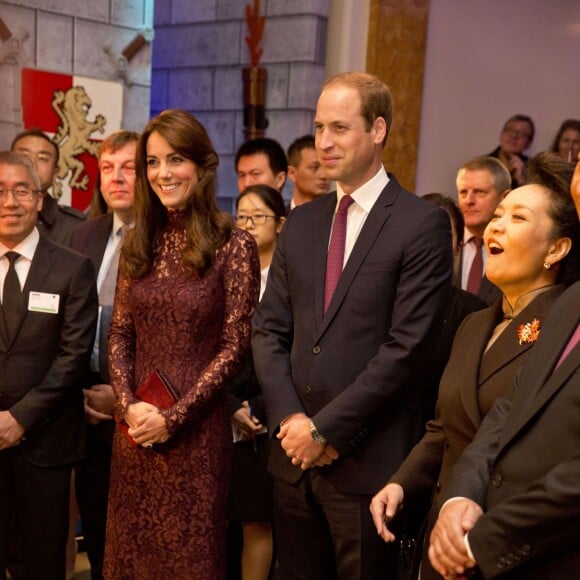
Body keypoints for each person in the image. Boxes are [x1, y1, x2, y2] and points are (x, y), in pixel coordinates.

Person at [252, 72, 453, 579]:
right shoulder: (301, 221)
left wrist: (327, 429)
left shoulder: (419, 223)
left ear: (378, 129)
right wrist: (291, 422)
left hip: (369, 466)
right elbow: (269, 330)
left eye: (339, 128)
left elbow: (407, 348)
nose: (324, 142)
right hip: (293, 462)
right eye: (319, 127)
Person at [371, 151, 580, 580]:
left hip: (509, 540)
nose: (495, 226)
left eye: (518, 219)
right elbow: (448, 426)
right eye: (498, 215)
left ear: (556, 249)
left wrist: (479, 534)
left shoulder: (561, 320)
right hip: (447, 528)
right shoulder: (474, 323)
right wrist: (403, 482)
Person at [102, 109, 260, 579]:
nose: (163, 174)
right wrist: (130, 407)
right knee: (129, 558)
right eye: (151, 162)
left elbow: (236, 346)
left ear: (202, 165)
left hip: (196, 437)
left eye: (175, 160)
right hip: (134, 435)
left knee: (189, 561)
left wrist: (174, 418)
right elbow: (120, 333)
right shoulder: (138, 240)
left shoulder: (233, 243)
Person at [0, 152, 98, 580]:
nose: (10, 201)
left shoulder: (73, 268)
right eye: (0, 191)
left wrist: (20, 417)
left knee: (40, 565)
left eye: (22, 190)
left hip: (45, 446)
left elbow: (73, 356)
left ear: (40, 199)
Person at [71, 130, 139, 580]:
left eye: (129, 167)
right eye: (108, 168)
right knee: (96, 529)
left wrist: (121, 396)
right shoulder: (85, 235)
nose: (116, 178)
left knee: (136, 536)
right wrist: (77, 392)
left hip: (144, 409)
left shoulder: (169, 239)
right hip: (84, 406)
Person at [227, 184, 286, 580]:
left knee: (256, 520)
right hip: (221, 407)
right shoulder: (224, 274)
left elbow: (289, 353)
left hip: (267, 415)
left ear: (280, 224)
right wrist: (229, 403)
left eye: (258, 217)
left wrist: (257, 408)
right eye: (241, 217)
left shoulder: (289, 280)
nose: (247, 225)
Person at [11, 128, 85, 246]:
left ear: (55, 173)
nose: (31, 163)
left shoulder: (77, 228)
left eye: (42, 158)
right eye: (23, 155)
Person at [455, 156, 511, 304]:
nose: (469, 200)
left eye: (479, 192)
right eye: (463, 192)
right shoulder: (444, 244)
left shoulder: (515, 250)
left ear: (504, 197)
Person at [487, 114, 535, 189]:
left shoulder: (534, 169)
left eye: (523, 134)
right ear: (501, 135)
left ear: (529, 143)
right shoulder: (482, 164)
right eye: (510, 130)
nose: (514, 136)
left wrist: (522, 180)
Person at [286, 135, 330, 211]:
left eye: (327, 167)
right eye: (314, 167)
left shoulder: (338, 218)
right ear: (292, 173)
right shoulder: (281, 220)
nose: (324, 176)